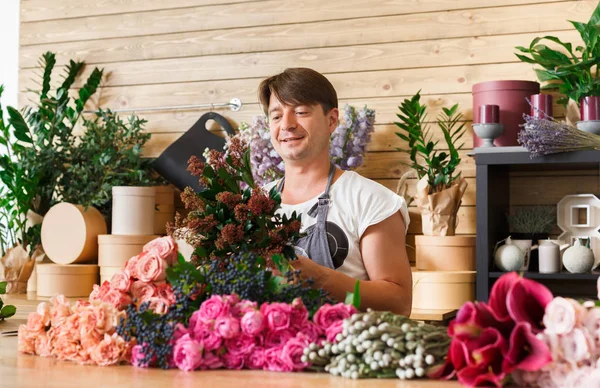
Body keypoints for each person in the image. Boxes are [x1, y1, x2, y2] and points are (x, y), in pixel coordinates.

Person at [258, 68, 412, 316]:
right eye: (276, 116)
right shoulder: (252, 205)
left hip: (341, 351)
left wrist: (320, 277)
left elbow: (398, 302)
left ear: (331, 120)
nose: (286, 124)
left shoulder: (370, 200)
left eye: (300, 112)